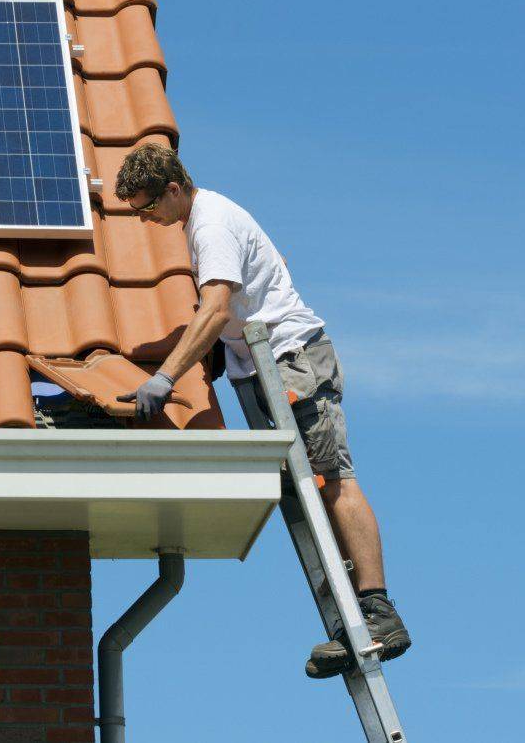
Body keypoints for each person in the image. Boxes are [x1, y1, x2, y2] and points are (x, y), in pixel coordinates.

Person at [113, 142, 411, 677]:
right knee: (304, 496)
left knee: (333, 479)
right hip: (264, 370)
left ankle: (379, 610)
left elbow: (217, 308)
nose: (146, 219)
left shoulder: (211, 224)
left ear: (174, 189)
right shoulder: (203, 221)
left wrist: (165, 377)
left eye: (147, 207)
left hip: (294, 363)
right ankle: (348, 624)